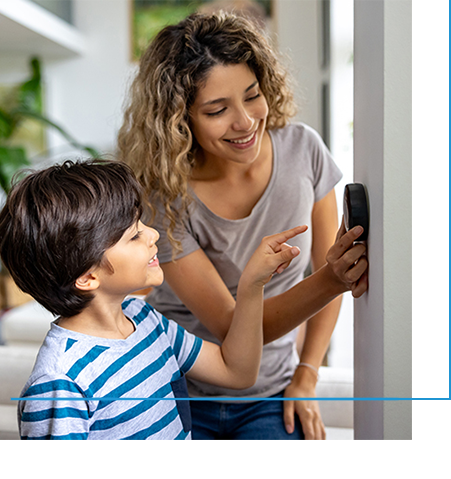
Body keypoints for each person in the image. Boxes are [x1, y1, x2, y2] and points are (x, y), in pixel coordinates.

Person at [117, 11, 368, 440]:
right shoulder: (164, 192)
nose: (246, 121)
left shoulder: (303, 150)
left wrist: (307, 374)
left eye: (252, 95)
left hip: (270, 393)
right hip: (176, 391)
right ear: (181, 120)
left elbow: (333, 264)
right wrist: (331, 279)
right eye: (217, 110)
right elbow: (233, 328)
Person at [0, 158, 308, 440]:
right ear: (88, 277)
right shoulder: (59, 383)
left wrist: (252, 285)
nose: (153, 234)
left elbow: (237, 371)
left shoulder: (144, 318)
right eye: (134, 235)